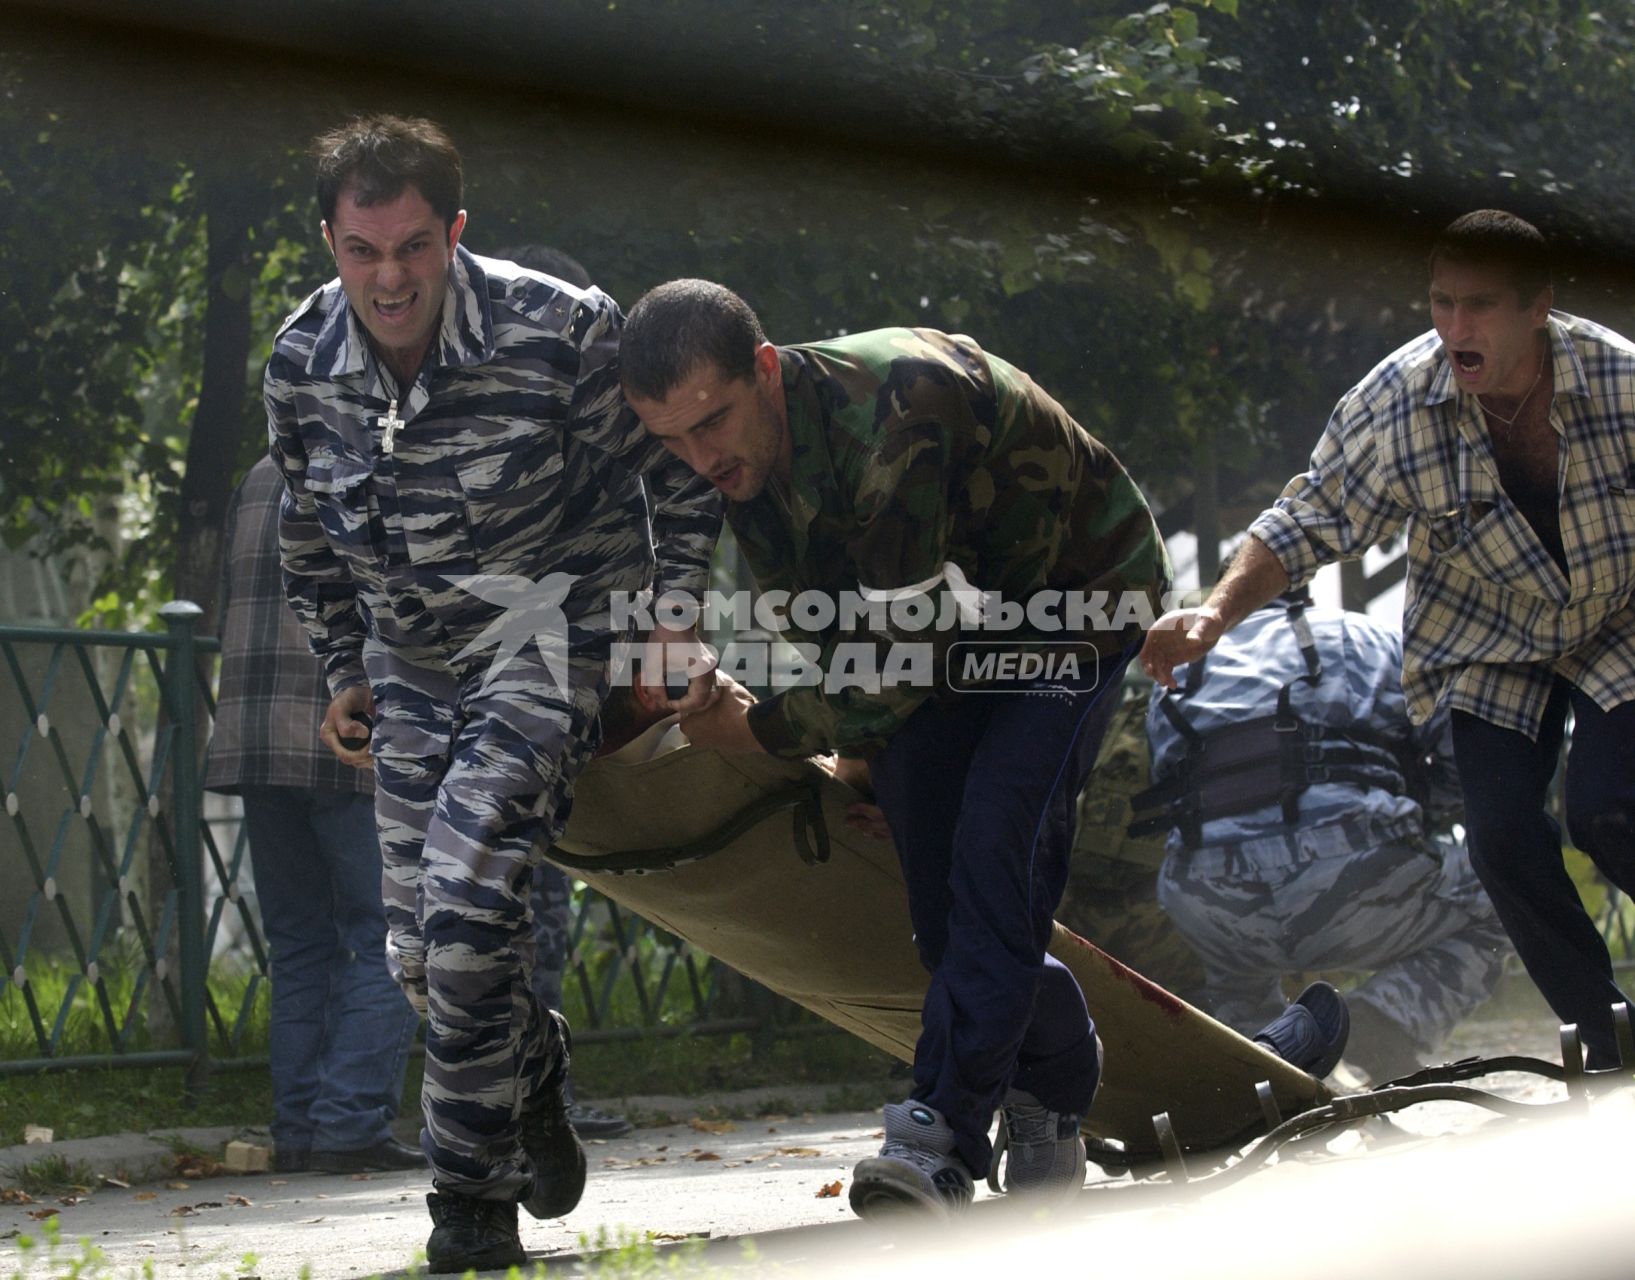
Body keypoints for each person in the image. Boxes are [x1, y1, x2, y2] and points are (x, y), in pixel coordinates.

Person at [266, 116, 721, 1272]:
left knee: (470, 912)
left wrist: (675, 612)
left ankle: (470, 1206)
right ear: (330, 241)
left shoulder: (561, 328)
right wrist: (341, 667)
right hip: (414, 663)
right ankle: (534, 1067)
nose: (389, 277)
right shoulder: (300, 363)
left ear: (454, 232)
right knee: (421, 957)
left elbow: (676, 460)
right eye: (363, 250)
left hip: (550, 635)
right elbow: (307, 532)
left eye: (413, 246)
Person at [618, 279, 1171, 1216]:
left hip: (1070, 615)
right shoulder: (741, 456)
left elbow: (895, 664)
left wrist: (758, 730)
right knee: (938, 918)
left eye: (710, 423)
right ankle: (1058, 1061)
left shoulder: (896, 411)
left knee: (994, 857)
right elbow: (836, 624)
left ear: (764, 370)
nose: (697, 457)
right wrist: (859, 751)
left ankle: (937, 1138)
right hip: (943, 640)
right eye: (670, 439)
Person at [1141, 209, 1635, 1073]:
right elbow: (1307, 514)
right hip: (1484, 642)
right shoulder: (1399, 400)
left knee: (1606, 810)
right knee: (1500, 839)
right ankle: (1609, 1040)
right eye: (1441, 303)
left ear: (1539, 310)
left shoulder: (1622, 385)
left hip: (1617, 620)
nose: (1455, 329)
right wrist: (1213, 616)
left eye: (1479, 307)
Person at [1135, 575, 1508, 1081]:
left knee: (1235, 984)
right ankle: (1382, 1025)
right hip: (1355, 876)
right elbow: (1460, 763)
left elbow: (1169, 779)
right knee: (1508, 894)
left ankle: (1265, 1073)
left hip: (1210, 901)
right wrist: (1416, 804)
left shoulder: (1177, 675)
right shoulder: (1367, 638)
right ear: (1301, 589)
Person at [205, 455, 422, 1175]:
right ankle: (349, 1123)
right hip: (348, 738)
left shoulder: (259, 475)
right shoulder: (374, 464)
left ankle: (297, 1128)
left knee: (298, 941)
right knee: (391, 928)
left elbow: (226, 601)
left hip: (256, 735)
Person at [492, 240, 631, 1141]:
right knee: (496, 920)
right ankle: (528, 1090)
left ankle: (522, 1104)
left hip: (545, 704)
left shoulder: (585, 424)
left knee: (517, 909)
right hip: (491, 700)